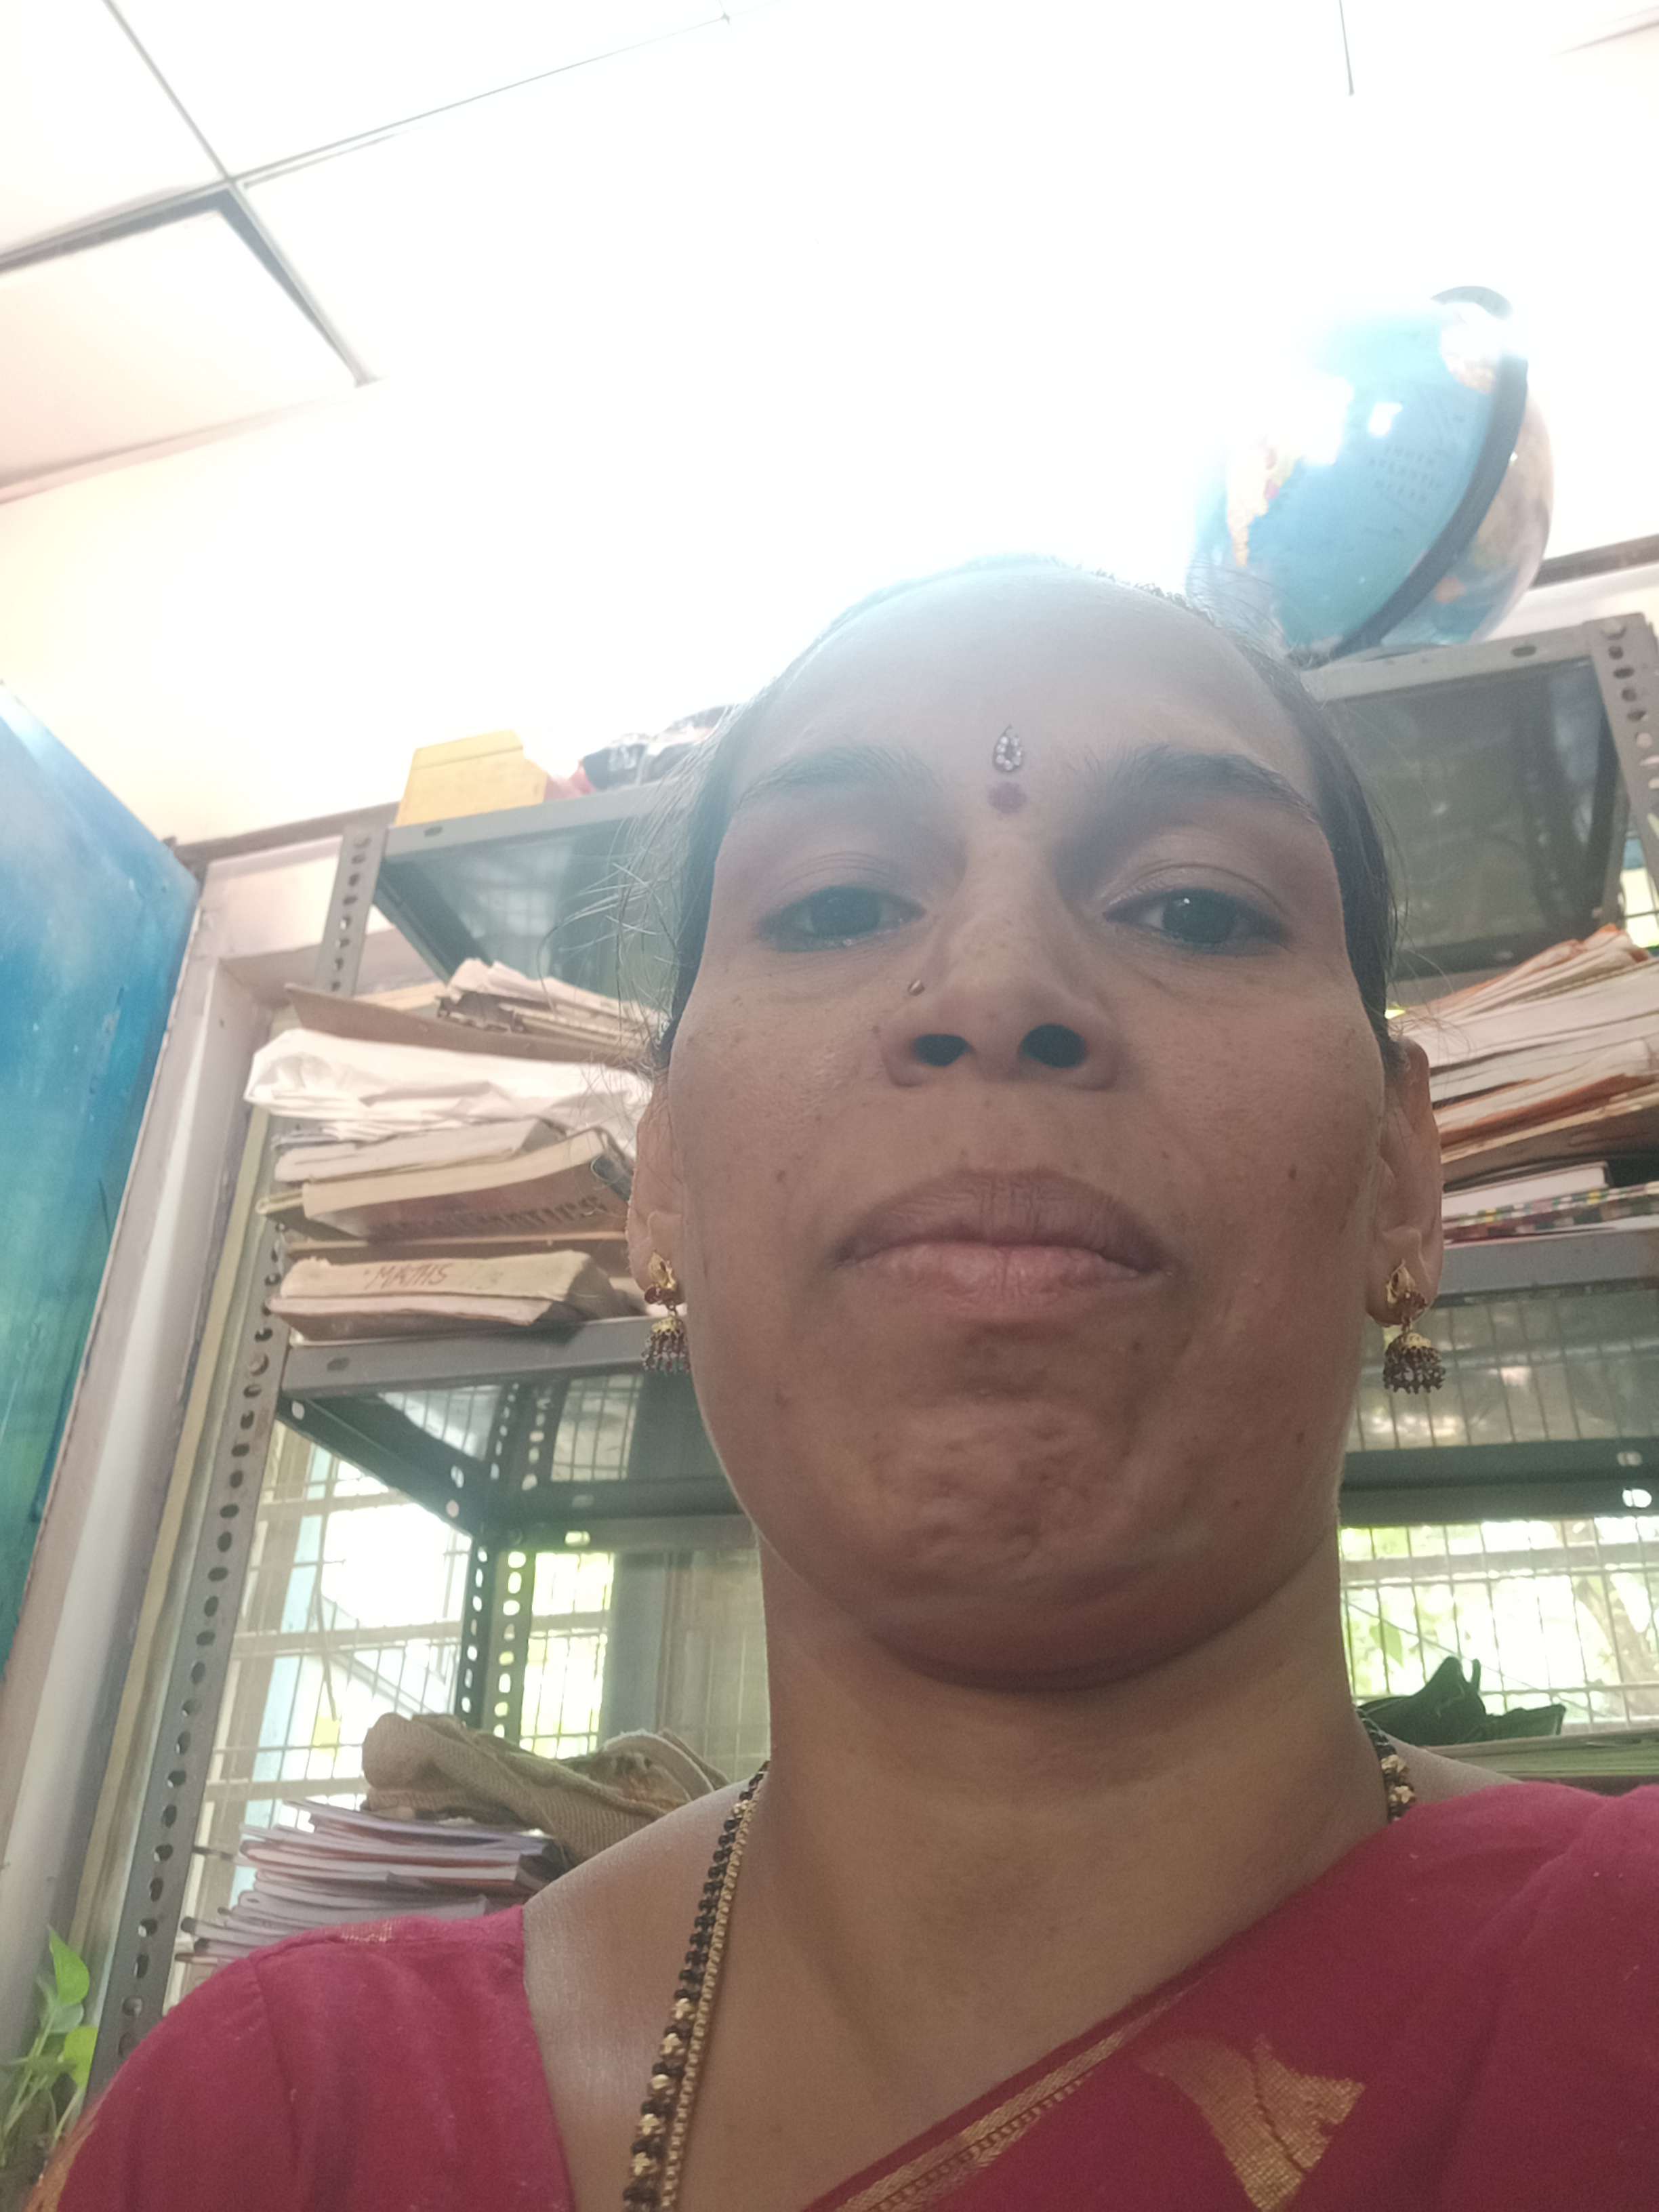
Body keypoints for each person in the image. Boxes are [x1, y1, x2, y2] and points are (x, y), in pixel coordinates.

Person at [41, 560, 1659, 2212]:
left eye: (1194, 908)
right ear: (663, 1181)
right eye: (834, 907)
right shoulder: (279, 2135)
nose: (997, 989)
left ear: (1402, 1181)